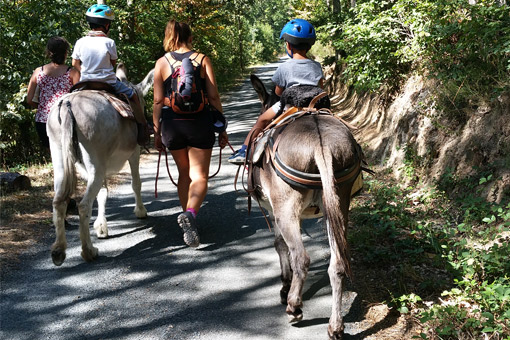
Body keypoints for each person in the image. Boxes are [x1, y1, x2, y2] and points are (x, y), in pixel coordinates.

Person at [152, 20, 228, 248]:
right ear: (191, 37)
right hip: (199, 123)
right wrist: (222, 127)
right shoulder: (202, 59)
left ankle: (187, 216)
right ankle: (191, 215)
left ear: (168, 37)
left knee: (183, 173)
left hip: (172, 124)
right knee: (200, 176)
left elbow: (157, 100)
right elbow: (213, 97)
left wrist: (157, 132)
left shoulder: (161, 63)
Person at [228, 18, 324, 164]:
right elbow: (320, 88)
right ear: (309, 46)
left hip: (291, 106)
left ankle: (244, 151)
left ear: (288, 45)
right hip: (314, 105)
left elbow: (278, 93)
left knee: (262, 120)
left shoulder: (284, 67)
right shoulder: (316, 66)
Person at [71, 4, 149, 146]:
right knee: (133, 95)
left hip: (85, 82)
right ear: (106, 25)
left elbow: (74, 63)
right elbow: (113, 63)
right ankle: (143, 126)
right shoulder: (109, 42)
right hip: (108, 82)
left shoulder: (80, 42)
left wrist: (85, 71)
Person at [27, 36, 80, 152]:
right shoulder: (72, 73)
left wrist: (42, 107)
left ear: (48, 52)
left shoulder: (38, 72)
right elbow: (79, 99)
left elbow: (29, 99)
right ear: (66, 53)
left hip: (43, 120)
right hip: (66, 119)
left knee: (53, 155)